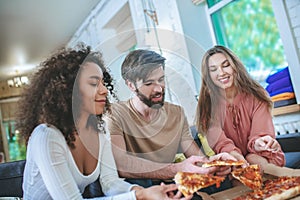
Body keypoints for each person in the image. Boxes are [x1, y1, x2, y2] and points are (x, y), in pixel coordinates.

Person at [16, 45, 187, 200]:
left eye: (103, 83)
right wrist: (140, 196)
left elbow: (111, 183)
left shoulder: (100, 130)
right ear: (67, 90)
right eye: (93, 83)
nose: (104, 90)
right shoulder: (46, 136)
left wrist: (147, 192)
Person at [105, 49, 236, 191]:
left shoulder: (176, 113)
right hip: (140, 188)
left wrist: (212, 165)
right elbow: (121, 164)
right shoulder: (115, 113)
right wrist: (175, 168)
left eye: (161, 80)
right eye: (149, 84)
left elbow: (196, 157)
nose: (159, 89)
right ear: (131, 85)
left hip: (171, 183)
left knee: (221, 183)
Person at [195, 45, 285, 170]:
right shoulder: (207, 105)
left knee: (253, 160)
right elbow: (220, 143)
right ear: (208, 75)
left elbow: (260, 134)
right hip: (232, 159)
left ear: (235, 67)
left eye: (226, 65)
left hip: (264, 156)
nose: (221, 73)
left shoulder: (256, 95)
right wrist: (235, 156)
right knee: (237, 170)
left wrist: (260, 143)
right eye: (213, 69)